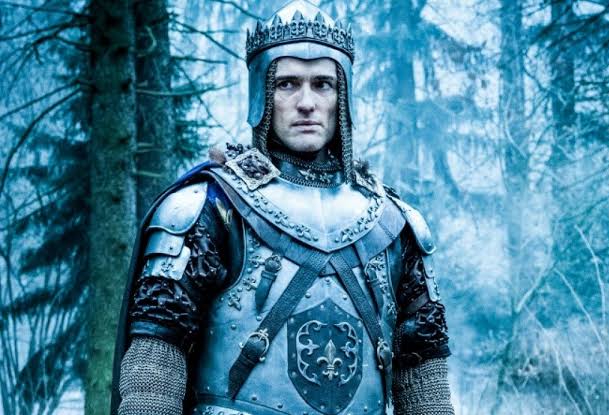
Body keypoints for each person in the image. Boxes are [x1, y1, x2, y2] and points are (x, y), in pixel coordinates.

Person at [111, 1, 454, 414]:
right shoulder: (210, 208)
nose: (306, 102)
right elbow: (154, 375)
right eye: (288, 84)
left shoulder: (392, 224)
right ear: (262, 95)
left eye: (323, 84)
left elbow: (425, 383)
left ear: (343, 97)